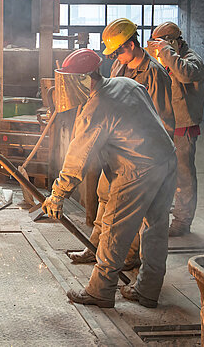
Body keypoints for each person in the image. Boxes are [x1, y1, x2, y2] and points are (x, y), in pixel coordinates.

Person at [42, 48, 177, 308]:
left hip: (137, 168)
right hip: (166, 159)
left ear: (82, 79)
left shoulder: (96, 107)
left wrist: (58, 193)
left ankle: (100, 291)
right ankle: (148, 291)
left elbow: (77, 156)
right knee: (155, 229)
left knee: (115, 229)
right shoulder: (126, 83)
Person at [68, 18, 174, 267]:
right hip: (116, 154)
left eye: (118, 50)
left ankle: (127, 257)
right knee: (104, 198)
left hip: (140, 158)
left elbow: (163, 119)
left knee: (134, 214)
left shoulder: (154, 73)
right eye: (113, 53)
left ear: (131, 44)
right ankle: (94, 248)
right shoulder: (118, 66)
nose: (115, 56)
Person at [146, 22, 204, 237]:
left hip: (183, 125)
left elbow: (185, 75)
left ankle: (182, 220)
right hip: (164, 124)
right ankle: (165, 211)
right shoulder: (165, 58)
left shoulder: (192, 60)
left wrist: (164, 51)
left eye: (162, 45)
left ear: (173, 42)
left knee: (183, 176)